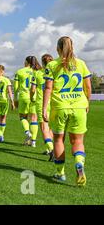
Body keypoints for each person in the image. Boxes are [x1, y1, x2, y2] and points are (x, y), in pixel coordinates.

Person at [43, 37, 91, 186]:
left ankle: (60, 173)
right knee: (77, 141)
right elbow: (88, 86)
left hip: (60, 107)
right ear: (72, 47)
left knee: (58, 140)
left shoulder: (52, 65)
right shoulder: (81, 63)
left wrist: (44, 108)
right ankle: (79, 163)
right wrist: (87, 102)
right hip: (79, 107)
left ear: (57, 48)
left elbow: (48, 88)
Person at [31, 54, 55, 160]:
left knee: (44, 128)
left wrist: (32, 98)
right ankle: (50, 149)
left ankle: (52, 149)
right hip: (54, 103)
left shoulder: (37, 73)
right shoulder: (55, 72)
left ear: (42, 62)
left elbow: (32, 89)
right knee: (50, 127)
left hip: (42, 103)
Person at [15, 56, 38, 145]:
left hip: (24, 96)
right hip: (34, 97)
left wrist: (15, 99)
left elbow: (16, 87)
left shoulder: (20, 71)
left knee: (23, 117)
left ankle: (28, 133)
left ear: (26, 62)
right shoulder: (37, 71)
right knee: (34, 119)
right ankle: (33, 142)